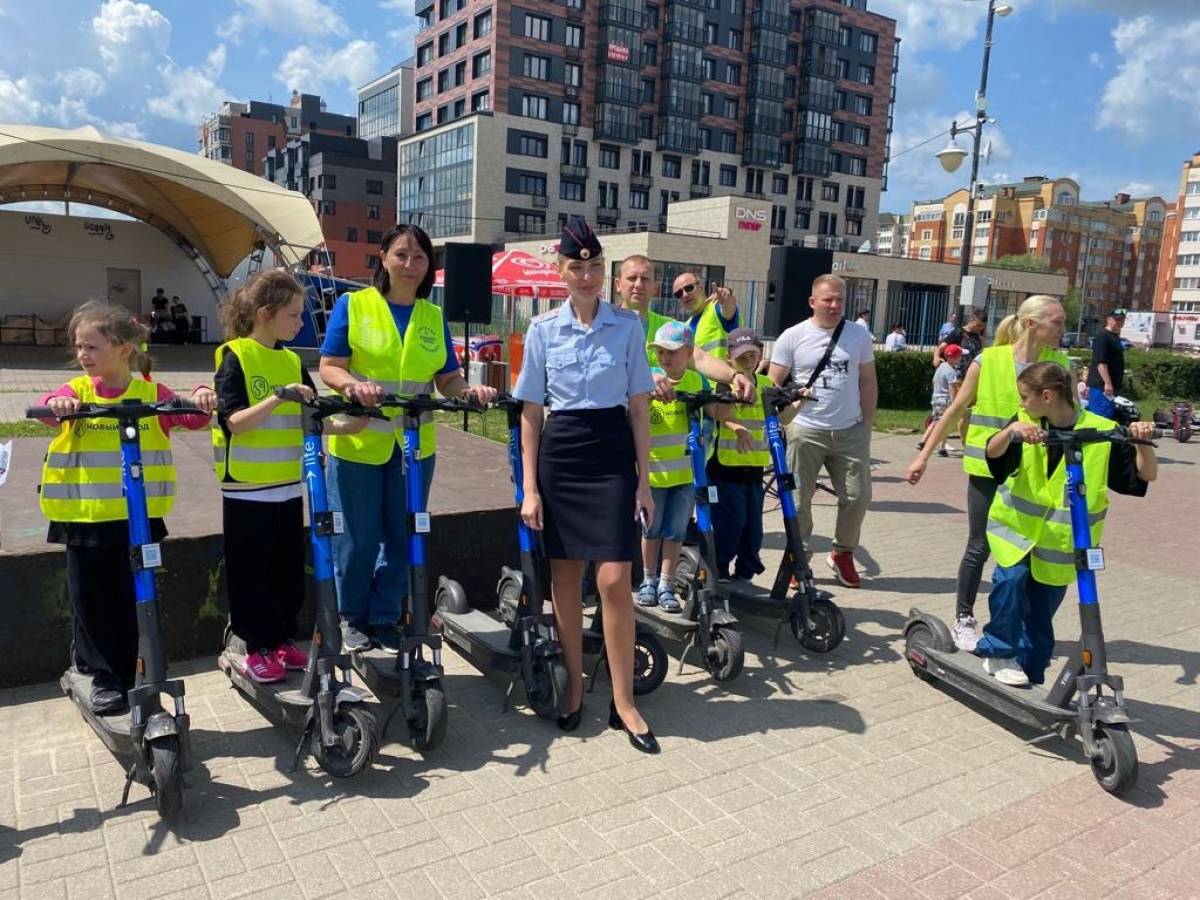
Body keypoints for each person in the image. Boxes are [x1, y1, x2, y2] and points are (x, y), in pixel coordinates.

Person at [514, 216, 659, 753]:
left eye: (596, 266)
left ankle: (624, 700)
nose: (588, 276)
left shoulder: (628, 327)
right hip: (563, 454)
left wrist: (644, 483)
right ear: (562, 272)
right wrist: (530, 488)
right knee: (567, 577)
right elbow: (531, 413)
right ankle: (574, 686)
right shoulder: (542, 330)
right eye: (578, 268)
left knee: (616, 579)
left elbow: (639, 408)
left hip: (611, 454)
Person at [318, 224, 496, 653]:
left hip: (415, 448)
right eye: (401, 254)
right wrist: (352, 387)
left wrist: (468, 392)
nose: (410, 264)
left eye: (419, 257)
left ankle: (384, 617)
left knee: (404, 537)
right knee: (358, 540)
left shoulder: (432, 315)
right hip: (359, 442)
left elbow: (447, 378)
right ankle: (352, 617)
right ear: (383, 257)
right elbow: (330, 366)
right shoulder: (353, 305)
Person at [35, 301, 216, 714]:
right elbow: (49, 407)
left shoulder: (152, 394)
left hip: (136, 521)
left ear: (124, 349)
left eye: (91, 347)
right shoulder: (77, 392)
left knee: (133, 597)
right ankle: (103, 675)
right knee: (90, 600)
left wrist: (201, 396)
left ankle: (131, 665)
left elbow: (194, 418)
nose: (82, 355)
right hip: (86, 520)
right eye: (79, 346)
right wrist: (56, 403)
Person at [212, 271, 365, 683]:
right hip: (246, 490)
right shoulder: (234, 356)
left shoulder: (292, 361)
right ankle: (256, 646)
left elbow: (309, 419)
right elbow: (234, 422)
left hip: (286, 487)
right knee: (251, 573)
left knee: (287, 571)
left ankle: (281, 640)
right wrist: (278, 397)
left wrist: (349, 425)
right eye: (294, 315)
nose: (300, 324)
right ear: (265, 313)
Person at [905, 295, 1070, 652]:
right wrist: (924, 456)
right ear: (1031, 324)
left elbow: (1072, 416)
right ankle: (964, 617)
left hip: (1033, 471)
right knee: (980, 545)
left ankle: (1018, 623)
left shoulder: (1059, 365)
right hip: (987, 467)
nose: (1063, 329)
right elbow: (954, 410)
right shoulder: (989, 360)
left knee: (1027, 547)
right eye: (1057, 322)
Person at [975, 362, 1156, 686]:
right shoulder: (1027, 422)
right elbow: (993, 452)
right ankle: (998, 651)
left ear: (1047, 396)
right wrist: (1010, 432)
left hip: (1060, 544)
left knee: (1039, 617)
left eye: (1024, 396)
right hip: (1017, 531)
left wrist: (1142, 441)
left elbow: (1145, 475)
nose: (1021, 403)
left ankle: (1030, 676)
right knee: (1010, 583)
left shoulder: (1100, 430)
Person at [768, 274, 878, 589]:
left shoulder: (858, 335)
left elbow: (868, 381)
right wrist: (781, 417)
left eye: (839, 300)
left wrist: (867, 424)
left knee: (858, 496)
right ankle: (799, 558)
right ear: (812, 301)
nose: (834, 305)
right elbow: (773, 384)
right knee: (799, 499)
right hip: (806, 430)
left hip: (850, 430)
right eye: (827, 300)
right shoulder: (793, 336)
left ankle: (843, 553)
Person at [637, 321, 733, 612]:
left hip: (686, 475)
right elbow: (634, 413)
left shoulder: (698, 381)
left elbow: (717, 412)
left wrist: (728, 386)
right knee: (651, 531)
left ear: (689, 353)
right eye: (660, 352)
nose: (665, 357)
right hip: (654, 474)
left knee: (675, 532)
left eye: (672, 352)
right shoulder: (648, 378)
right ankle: (648, 579)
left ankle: (666, 583)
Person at [709, 327, 798, 581]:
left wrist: (800, 401)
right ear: (728, 357)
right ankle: (719, 568)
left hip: (754, 469)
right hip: (725, 469)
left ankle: (746, 572)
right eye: (741, 356)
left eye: (752, 354)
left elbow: (783, 417)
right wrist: (737, 428)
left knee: (753, 529)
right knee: (730, 525)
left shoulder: (767, 385)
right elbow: (720, 413)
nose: (748, 360)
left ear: (759, 353)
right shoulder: (724, 383)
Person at [613, 255, 756, 400]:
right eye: (632, 278)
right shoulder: (604, 325)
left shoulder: (668, 326)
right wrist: (646, 377)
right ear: (618, 284)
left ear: (655, 287)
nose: (638, 284)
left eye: (645, 279)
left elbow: (699, 358)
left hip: (662, 413)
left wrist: (734, 375)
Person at [670, 270, 738, 360]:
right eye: (679, 294)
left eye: (689, 288)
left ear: (701, 286)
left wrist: (726, 297)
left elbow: (728, 309)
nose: (685, 295)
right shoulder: (686, 325)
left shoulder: (716, 309)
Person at [916, 343, 962, 457]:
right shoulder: (951, 372)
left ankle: (923, 441)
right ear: (954, 358)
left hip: (936, 397)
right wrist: (954, 403)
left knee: (935, 421)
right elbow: (952, 388)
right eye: (960, 356)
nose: (961, 358)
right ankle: (942, 447)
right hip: (946, 399)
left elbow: (933, 380)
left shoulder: (941, 367)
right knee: (945, 423)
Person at [1086, 308, 1127, 419]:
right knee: (1100, 418)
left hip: (1110, 388)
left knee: (1107, 417)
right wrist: (1107, 383)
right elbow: (1101, 363)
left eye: (1122, 320)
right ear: (1108, 320)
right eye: (1117, 319)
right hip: (1101, 386)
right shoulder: (1103, 336)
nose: (1120, 322)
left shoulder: (1114, 336)